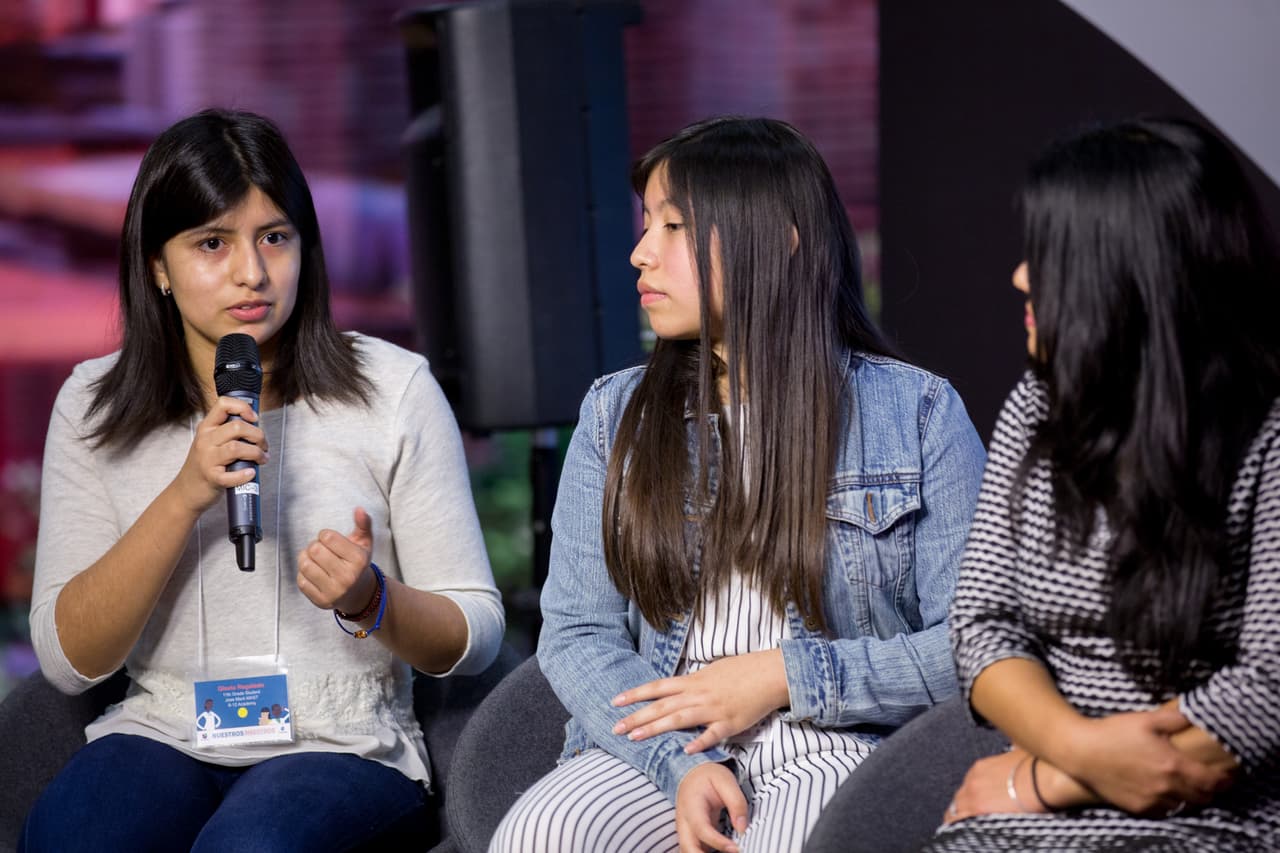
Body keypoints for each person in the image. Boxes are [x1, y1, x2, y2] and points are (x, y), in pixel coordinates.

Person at [490, 116, 987, 853]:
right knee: (539, 836)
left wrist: (786, 673)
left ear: (778, 241)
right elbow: (577, 631)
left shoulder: (917, 411)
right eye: (644, 225)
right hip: (663, 743)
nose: (640, 253)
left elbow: (971, 649)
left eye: (674, 226)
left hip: (832, 734)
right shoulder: (612, 411)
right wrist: (679, 762)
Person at [22, 108, 504, 851]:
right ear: (157, 265)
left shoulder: (393, 388)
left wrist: (371, 598)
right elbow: (68, 656)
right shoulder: (94, 404)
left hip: (342, 740)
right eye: (213, 242)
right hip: (166, 729)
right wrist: (184, 494)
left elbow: (476, 631)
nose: (252, 272)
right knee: (71, 834)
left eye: (274, 237)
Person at [930, 117, 1280, 851]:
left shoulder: (1269, 433)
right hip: (1038, 795)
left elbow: (1269, 690)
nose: (1021, 276)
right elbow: (983, 624)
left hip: (1223, 815)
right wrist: (1075, 750)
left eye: (1049, 255)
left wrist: (1053, 778)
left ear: (1127, 269)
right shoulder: (1039, 404)